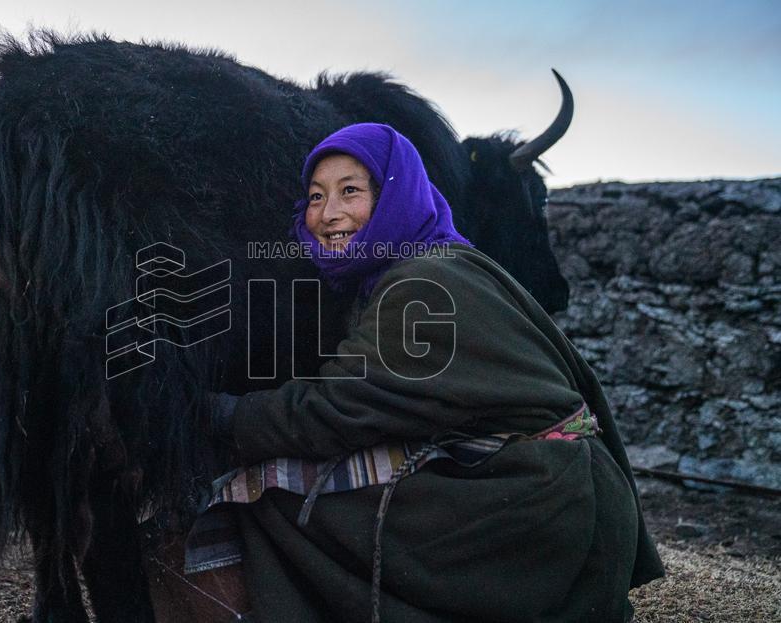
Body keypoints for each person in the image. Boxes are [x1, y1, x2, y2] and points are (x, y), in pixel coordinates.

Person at [195, 123, 664, 622]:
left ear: (397, 192)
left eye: (350, 190)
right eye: (315, 197)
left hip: (540, 512)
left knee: (267, 499)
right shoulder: (443, 259)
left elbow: (332, 412)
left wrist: (209, 414)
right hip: (554, 492)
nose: (327, 215)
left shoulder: (421, 284)